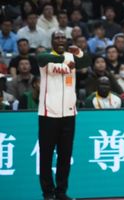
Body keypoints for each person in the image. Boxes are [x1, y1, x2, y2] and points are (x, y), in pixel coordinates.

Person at [37, 30, 91, 200]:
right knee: (46, 156)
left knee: (65, 156)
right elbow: (40, 58)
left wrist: (78, 52)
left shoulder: (71, 56)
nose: (60, 40)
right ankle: (48, 193)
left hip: (68, 114)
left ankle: (61, 192)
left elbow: (87, 61)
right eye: (57, 38)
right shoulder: (46, 58)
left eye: (63, 38)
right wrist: (63, 61)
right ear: (52, 41)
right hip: (48, 114)